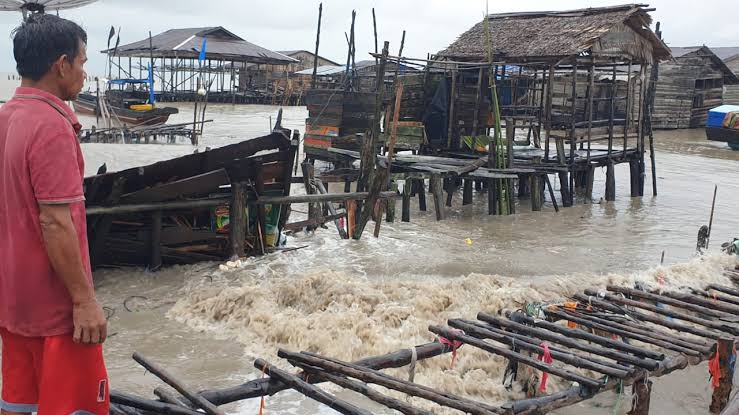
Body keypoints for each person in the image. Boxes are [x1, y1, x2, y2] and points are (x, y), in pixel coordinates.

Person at [0, 14, 109, 415]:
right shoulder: (52, 126)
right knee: (75, 406)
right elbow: (55, 221)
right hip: (56, 313)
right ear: (60, 64)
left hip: (13, 304)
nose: (84, 73)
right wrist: (83, 302)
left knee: (18, 405)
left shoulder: (7, 118)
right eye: (81, 62)